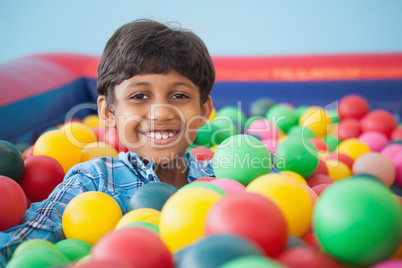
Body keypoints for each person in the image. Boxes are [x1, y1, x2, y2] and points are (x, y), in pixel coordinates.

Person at [0, 19, 215, 265]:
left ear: (204, 110)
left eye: (179, 95)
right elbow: (25, 243)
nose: (161, 112)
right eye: (139, 96)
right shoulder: (95, 179)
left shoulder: (219, 178)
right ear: (108, 111)